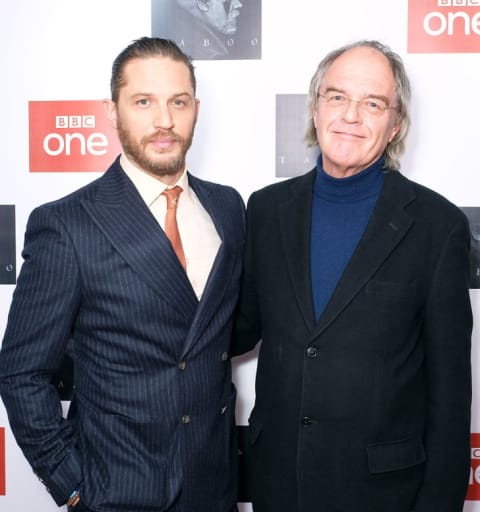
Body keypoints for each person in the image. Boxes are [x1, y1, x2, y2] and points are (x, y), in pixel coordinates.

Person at [0, 37, 245, 512]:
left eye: (177, 102)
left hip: (214, 491)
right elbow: (22, 372)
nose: (164, 121)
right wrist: (74, 488)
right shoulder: (68, 224)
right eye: (143, 102)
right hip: (119, 494)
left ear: (196, 108)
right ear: (112, 112)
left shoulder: (228, 207)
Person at [232, 40, 472, 512]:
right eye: (337, 96)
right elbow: (238, 327)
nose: (351, 115)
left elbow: (450, 397)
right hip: (278, 484)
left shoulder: (438, 227)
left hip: (384, 494)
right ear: (316, 108)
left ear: (395, 122)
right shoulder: (266, 209)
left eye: (373, 102)